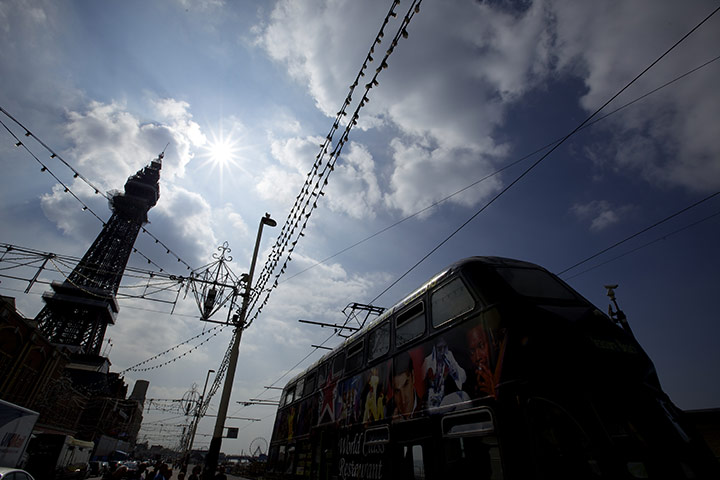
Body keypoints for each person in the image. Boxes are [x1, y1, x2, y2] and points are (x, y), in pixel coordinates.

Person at [391, 350, 422, 419]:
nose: (403, 400)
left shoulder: (427, 407)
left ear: (413, 377)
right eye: (397, 391)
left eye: (406, 385)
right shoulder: (388, 413)